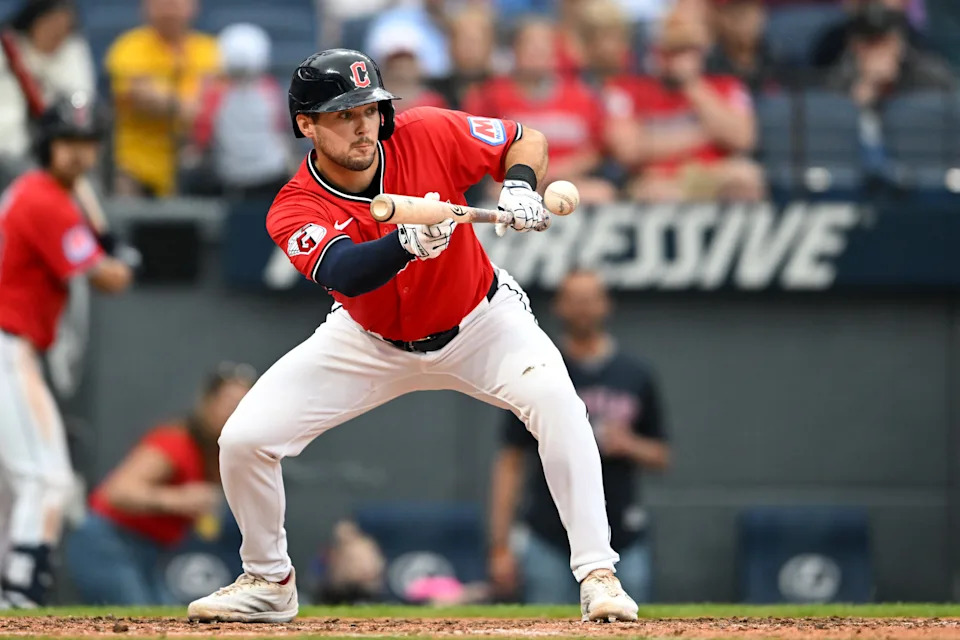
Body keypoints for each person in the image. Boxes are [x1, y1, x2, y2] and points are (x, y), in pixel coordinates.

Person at [185, 48, 638, 624]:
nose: (362, 124)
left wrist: (520, 184)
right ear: (307, 126)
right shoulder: (294, 205)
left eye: (369, 108)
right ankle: (268, 580)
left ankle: (598, 574)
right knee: (245, 439)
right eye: (343, 113)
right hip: (367, 340)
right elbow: (344, 270)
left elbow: (525, 138)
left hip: (481, 321)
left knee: (558, 403)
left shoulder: (425, 129)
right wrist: (406, 243)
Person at [0, 93, 133, 608]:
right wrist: (119, 252)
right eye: (66, 142)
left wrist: (106, 247)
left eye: (86, 142)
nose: (78, 154)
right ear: (46, 144)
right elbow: (108, 278)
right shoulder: (45, 200)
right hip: (8, 347)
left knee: (16, 486)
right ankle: (20, 597)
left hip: (18, 348)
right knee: (47, 479)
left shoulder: (41, 192)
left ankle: (12, 593)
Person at [489, 270, 670, 605]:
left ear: (605, 305)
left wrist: (629, 444)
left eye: (590, 299)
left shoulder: (635, 374)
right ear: (560, 306)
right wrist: (501, 545)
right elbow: (510, 461)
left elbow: (662, 455)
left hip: (623, 534)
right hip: (548, 533)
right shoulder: (537, 370)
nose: (583, 308)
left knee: (628, 626)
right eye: (575, 300)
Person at [64, 363, 255, 605]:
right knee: (139, 618)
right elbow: (117, 492)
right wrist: (177, 500)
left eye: (245, 404)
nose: (235, 411)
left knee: (167, 615)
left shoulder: (221, 454)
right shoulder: (176, 441)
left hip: (151, 551)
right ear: (208, 403)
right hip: (109, 542)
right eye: (229, 402)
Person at [606, 8, 765, 202]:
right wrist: (705, 133)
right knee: (660, 192)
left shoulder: (727, 86)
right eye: (672, 51)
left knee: (746, 176)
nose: (680, 58)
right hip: (659, 176)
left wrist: (692, 85)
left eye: (688, 50)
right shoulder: (628, 90)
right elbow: (629, 150)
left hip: (712, 171)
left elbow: (743, 138)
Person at [463, 19, 616, 205]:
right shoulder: (491, 96)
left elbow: (596, 150)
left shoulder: (583, 96)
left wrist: (556, 173)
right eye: (530, 45)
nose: (536, 53)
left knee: (601, 193)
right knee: (496, 193)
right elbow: (478, 148)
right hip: (513, 182)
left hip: (570, 182)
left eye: (543, 47)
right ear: (515, 51)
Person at [105, 0, 219, 197]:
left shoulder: (210, 50)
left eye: (175, 3)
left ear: (193, 6)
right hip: (138, 168)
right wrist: (184, 104)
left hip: (196, 170)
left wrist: (161, 95)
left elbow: (217, 102)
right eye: (161, 3)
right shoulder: (129, 46)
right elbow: (137, 95)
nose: (168, 10)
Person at [187, 23, 292, 200]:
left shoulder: (215, 92)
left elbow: (202, 136)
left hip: (259, 178)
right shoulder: (270, 89)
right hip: (249, 178)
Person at [0, 0, 95, 188]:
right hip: (10, 150)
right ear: (35, 21)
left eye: (64, 26)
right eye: (51, 24)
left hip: (56, 144)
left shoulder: (74, 51)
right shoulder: (8, 49)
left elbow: (80, 101)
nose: (57, 32)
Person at [825, 2, 956, 107]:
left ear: (899, 43)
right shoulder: (841, 80)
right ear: (855, 46)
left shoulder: (931, 77)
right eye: (870, 43)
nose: (878, 52)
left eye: (884, 42)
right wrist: (855, 107)